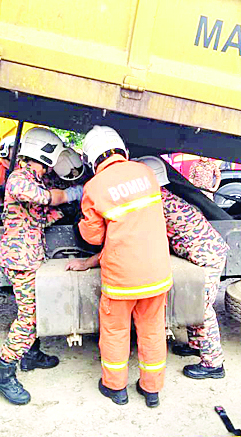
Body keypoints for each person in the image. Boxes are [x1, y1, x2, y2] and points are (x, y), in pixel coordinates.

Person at [68, 156, 230, 380]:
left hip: (207, 255)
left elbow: (128, 243)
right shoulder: (161, 197)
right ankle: (195, 345)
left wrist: (87, 262)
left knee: (201, 306)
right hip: (204, 251)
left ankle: (213, 364)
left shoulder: (154, 203)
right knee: (194, 303)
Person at [76, 125, 172, 408]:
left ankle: (115, 388)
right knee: (152, 330)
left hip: (122, 278)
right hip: (156, 273)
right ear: (122, 149)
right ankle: (151, 390)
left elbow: (93, 237)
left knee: (116, 332)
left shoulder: (94, 187)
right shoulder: (145, 173)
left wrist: (84, 223)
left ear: (92, 159)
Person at [0, 127, 84, 405]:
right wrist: (71, 195)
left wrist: (61, 212)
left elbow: (39, 217)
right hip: (21, 259)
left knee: (32, 308)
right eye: (47, 164)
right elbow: (45, 198)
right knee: (29, 317)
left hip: (30, 256)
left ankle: (31, 355)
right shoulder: (18, 179)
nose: (48, 170)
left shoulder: (32, 180)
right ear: (39, 156)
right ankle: (3, 374)